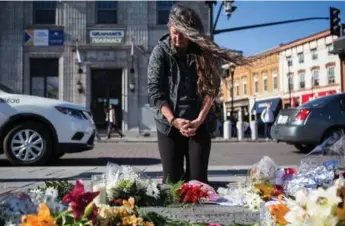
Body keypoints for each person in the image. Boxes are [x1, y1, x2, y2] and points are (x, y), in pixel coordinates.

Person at [147, 5, 246, 184]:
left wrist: (199, 120)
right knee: (172, 183)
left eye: (185, 34)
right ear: (169, 27)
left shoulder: (203, 52)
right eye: (175, 32)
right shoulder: (160, 52)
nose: (179, 38)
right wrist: (173, 120)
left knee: (198, 183)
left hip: (199, 123)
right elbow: (155, 91)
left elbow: (211, 89)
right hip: (169, 125)